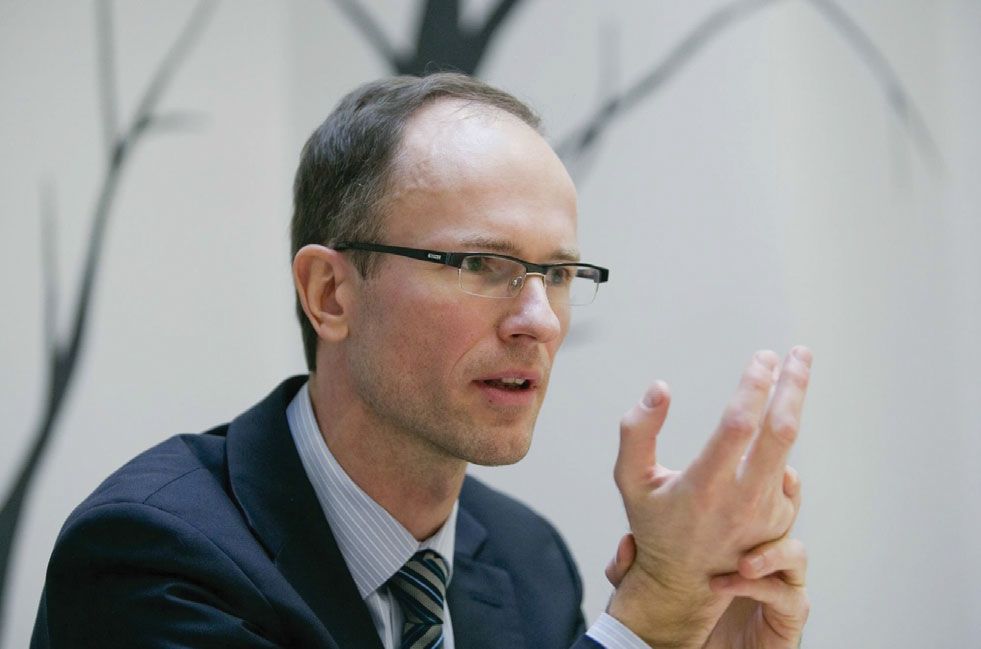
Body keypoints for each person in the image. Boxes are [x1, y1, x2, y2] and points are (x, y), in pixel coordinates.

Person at [32, 73, 810, 648]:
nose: (540, 320)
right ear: (331, 293)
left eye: (559, 273)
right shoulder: (151, 554)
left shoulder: (527, 560)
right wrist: (649, 621)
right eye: (480, 264)